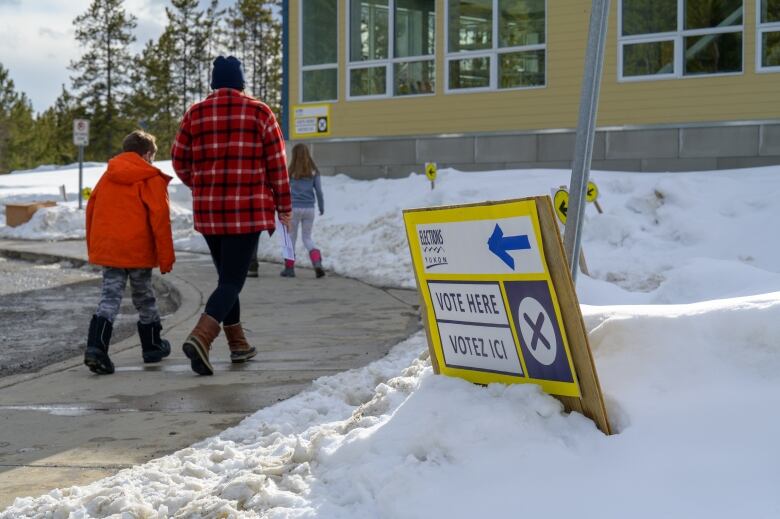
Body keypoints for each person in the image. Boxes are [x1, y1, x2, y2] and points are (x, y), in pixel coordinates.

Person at [172, 55, 291, 376]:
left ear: (214, 82)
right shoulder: (259, 112)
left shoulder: (194, 114)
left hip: (211, 213)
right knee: (232, 281)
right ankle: (202, 336)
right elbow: (277, 165)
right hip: (248, 211)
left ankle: (238, 345)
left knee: (227, 280)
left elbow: (179, 160)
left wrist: (201, 185)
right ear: (240, 82)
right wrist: (285, 207)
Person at [84, 130, 175, 375]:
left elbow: (91, 211)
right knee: (144, 296)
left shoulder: (107, 176)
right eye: (153, 157)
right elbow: (160, 219)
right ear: (147, 154)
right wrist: (166, 257)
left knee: (109, 298)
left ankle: (96, 348)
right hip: (138, 249)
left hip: (111, 249)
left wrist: (95, 246)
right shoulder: (150, 177)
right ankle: (152, 346)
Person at [280, 143, 325, 278]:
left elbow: (284, 191)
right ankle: (317, 263)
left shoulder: (290, 171)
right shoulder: (314, 171)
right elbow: (319, 191)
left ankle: (289, 269)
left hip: (293, 209)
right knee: (307, 238)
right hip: (309, 209)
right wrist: (321, 207)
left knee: (291, 238)